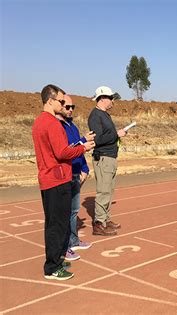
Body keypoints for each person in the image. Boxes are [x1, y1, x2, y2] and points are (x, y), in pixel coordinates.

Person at [32, 84, 95, 280]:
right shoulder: (51, 123)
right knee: (57, 225)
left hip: (49, 178)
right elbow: (62, 152)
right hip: (57, 180)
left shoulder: (39, 122)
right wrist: (83, 148)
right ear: (50, 101)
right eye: (61, 101)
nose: (63, 105)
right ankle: (52, 267)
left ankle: (56, 259)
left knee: (54, 224)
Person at [56, 94, 94, 261]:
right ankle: (65, 247)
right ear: (59, 106)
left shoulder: (72, 126)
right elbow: (67, 150)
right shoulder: (58, 127)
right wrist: (84, 141)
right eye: (67, 107)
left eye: (73, 107)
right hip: (65, 174)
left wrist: (85, 168)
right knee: (64, 212)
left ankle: (73, 240)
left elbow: (80, 151)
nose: (71, 110)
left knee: (73, 211)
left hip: (77, 173)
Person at [88, 86, 127, 236]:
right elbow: (97, 139)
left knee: (109, 191)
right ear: (102, 98)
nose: (112, 101)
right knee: (103, 191)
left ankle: (105, 219)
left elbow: (107, 135)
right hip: (103, 157)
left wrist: (117, 135)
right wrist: (117, 134)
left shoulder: (104, 115)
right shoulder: (95, 116)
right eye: (111, 98)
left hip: (110, 157)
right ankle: (98, 224)